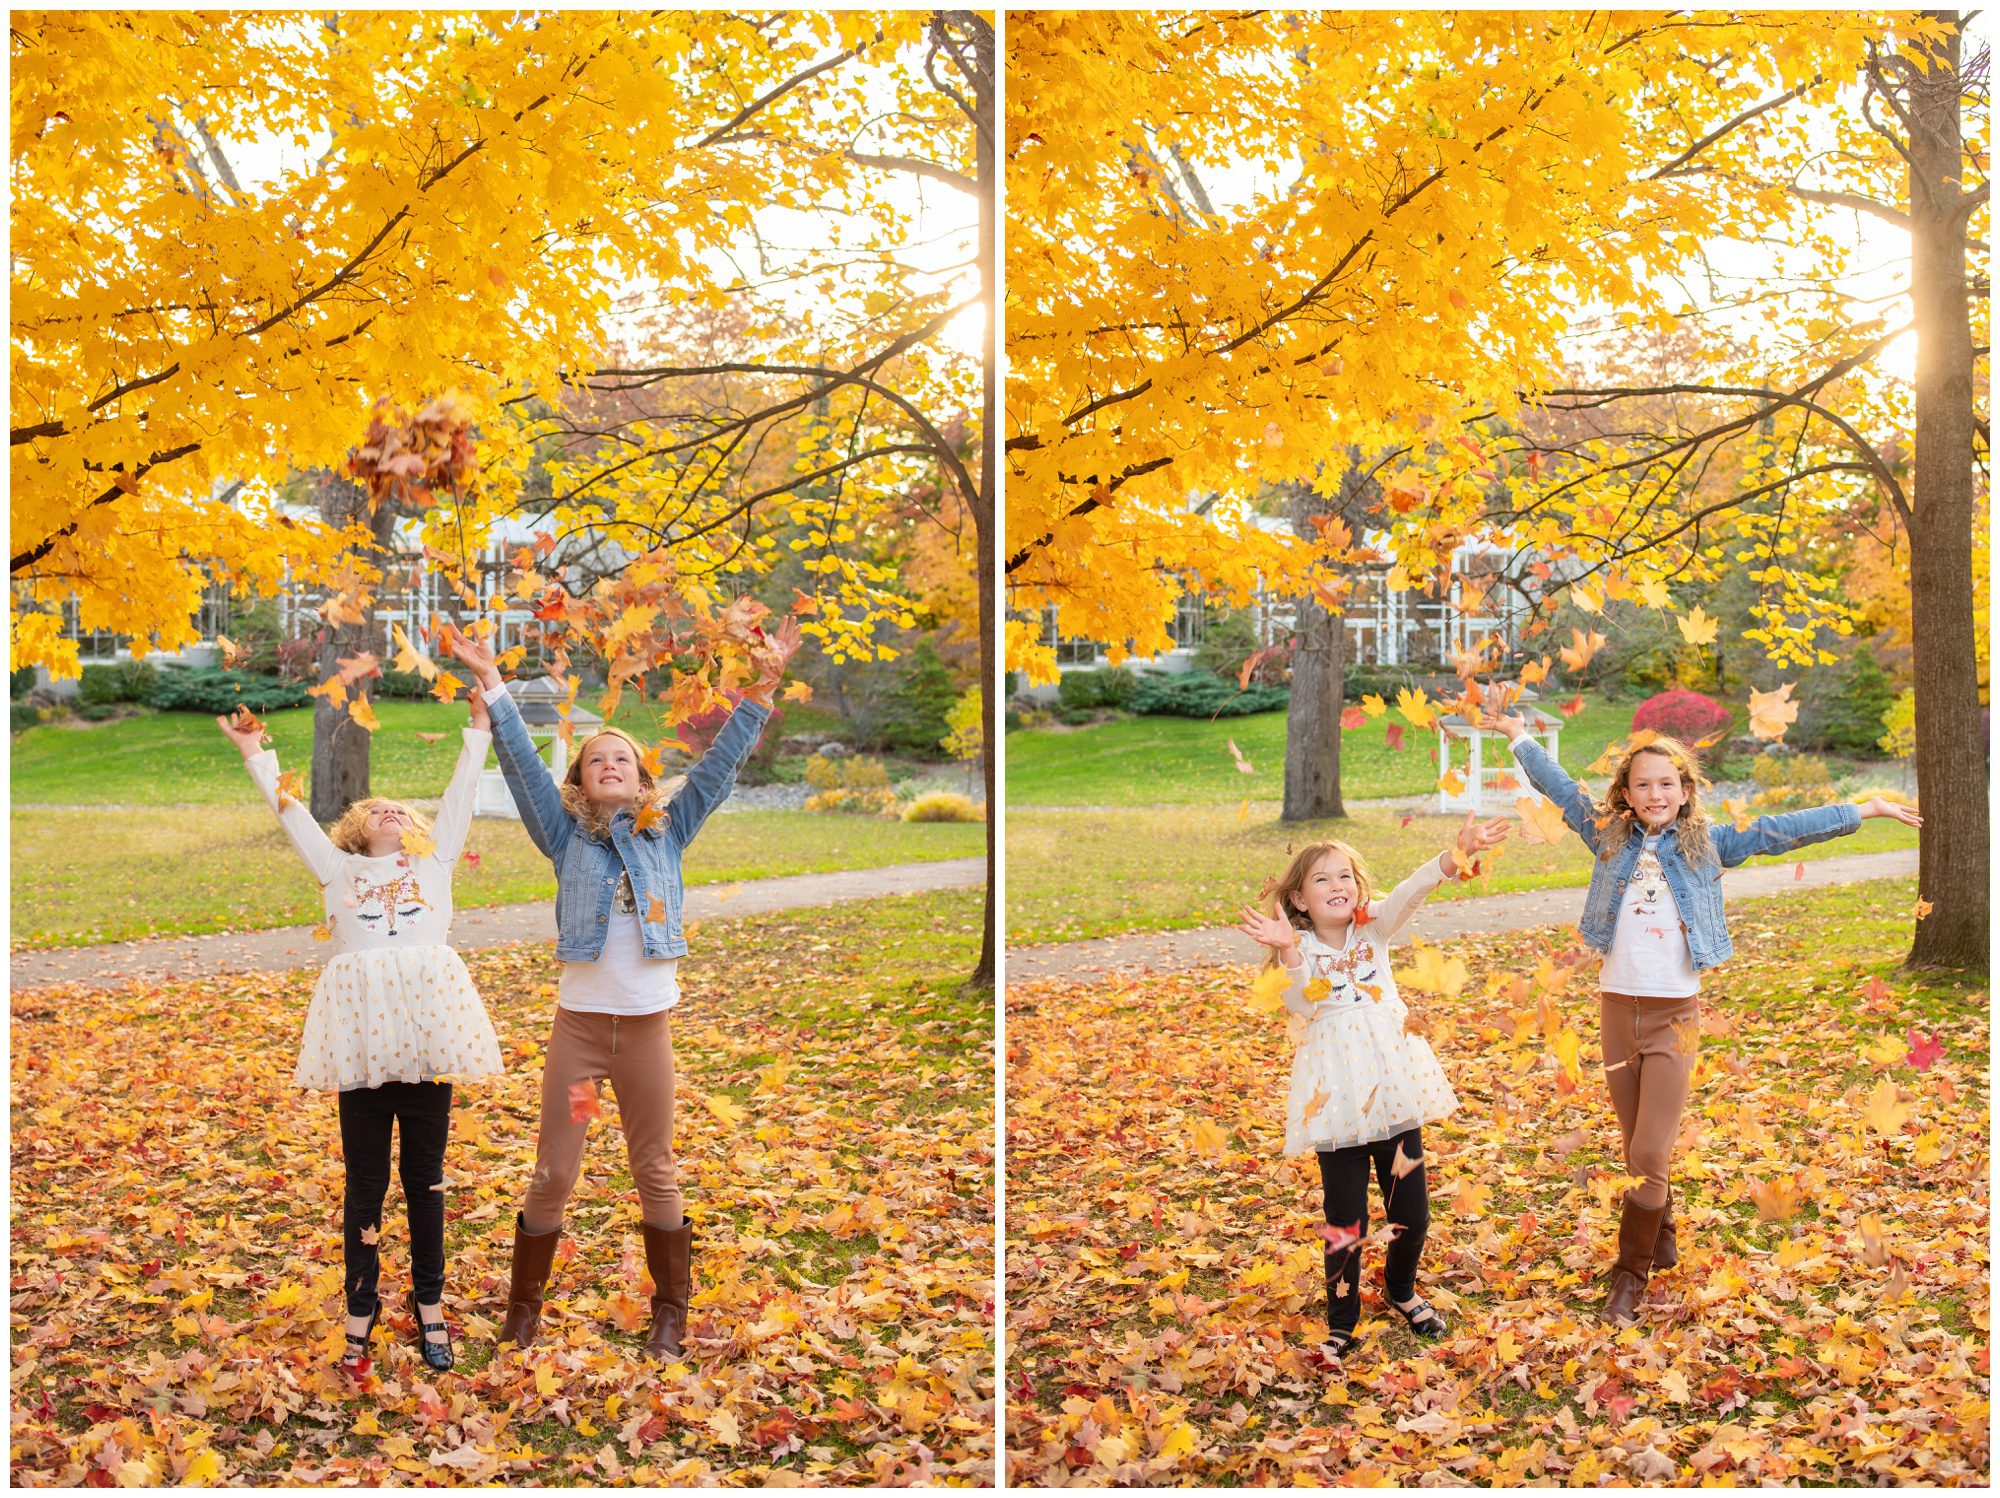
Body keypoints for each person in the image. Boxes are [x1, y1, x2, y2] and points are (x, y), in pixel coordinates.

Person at [443, 617, 801, 1360]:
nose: (609, 764)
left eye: (622, 759)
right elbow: (519, 764)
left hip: (643, 1041)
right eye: (594, 759)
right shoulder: (563, 833)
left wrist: (764, 685)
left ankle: (670, 1312)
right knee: (555, 1170)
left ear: (642, 781)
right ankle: (523, 1309)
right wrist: (490, 680)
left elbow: (719, 768)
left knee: (655, 1167)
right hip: (580, 1046)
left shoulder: (668, 831)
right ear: (579, 781)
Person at [1493, 708, 1923, 1325]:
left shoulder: (1707, 844)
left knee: (1648, 1150)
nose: (1655, 794)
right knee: (1636, 1144)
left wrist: (1864, 810)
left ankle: (1629, 1277)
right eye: (1642, 784)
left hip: (1676, 1017)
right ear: (1626, 794)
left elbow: (1781, 830)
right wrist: (1519, 738)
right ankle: (1661, 1236)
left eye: (1666, 783)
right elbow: (1561, 789)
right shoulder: (1608, 836)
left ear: (1686, 791)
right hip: (1617, 1010)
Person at [219, 694, 502, 1374]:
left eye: (402, 809)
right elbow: (290, 814)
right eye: (377, 808)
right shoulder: (337, 870)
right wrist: (257, 754)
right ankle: (361, 1306)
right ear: (354, 827)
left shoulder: (431, 869)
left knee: (425, 1179)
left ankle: (430, 1305)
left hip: (428, 1044)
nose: (391, 812)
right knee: (366, 1182)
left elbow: (461, 796)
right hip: (363, 1052)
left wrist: (480, 729)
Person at [1236, 812, 1509, 1356]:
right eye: (1322, 879)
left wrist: (1453, 858)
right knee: (1346, 1218)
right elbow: (1300, 1005)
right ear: (1298, 901)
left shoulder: (1372, 930)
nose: (1337, 886)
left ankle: (1402, 1291)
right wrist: (1290, 952)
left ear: (1358, 887)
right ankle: (1343, 1318)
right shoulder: (1301, 952)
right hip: (1336, 1100)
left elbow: (1409, 892)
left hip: (1391, 1091)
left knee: (1411, 1211)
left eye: (1345, 876)